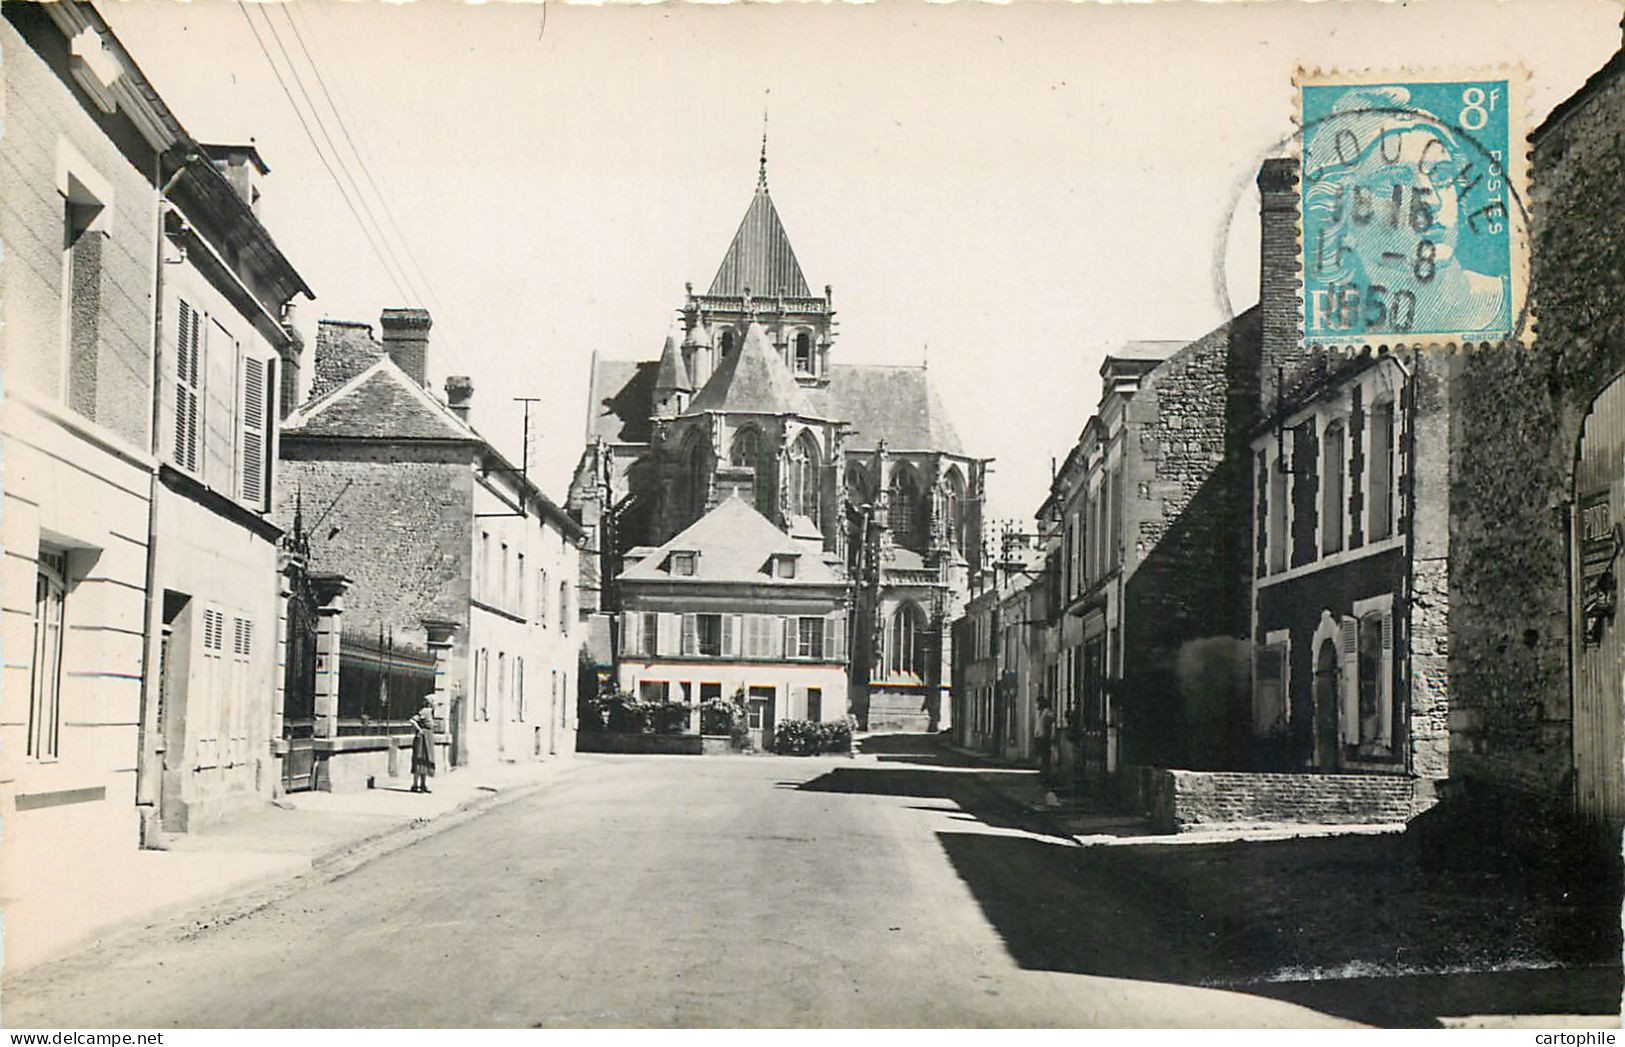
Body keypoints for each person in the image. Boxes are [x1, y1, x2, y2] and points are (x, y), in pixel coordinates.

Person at [1303, 85, 1509, 338]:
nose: (1430, 200)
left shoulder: (1510, 303)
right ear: (1340, 217)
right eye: (1392, 183)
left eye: (1441, 175)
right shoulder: (1343, 332)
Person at [410, 701, 436, 794]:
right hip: (422, 738)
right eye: (434, 702)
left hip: (428, 738)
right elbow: (412, 720)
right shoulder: (425, 711)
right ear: (430, 703)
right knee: (419, 759)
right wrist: (419, 730)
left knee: (426, 760)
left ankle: (423, 784)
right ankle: (415, 784)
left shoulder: (431, 712)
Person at [1034, 696, 1056, 784]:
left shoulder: (1047, 712)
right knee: (1041, 757)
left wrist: (1049, 736)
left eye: (1038, 703)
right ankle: (1043, 774)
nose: (1037, 705)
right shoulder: (1039, 713)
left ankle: (1046, 776)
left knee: (1045, 757)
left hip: (1045, 737)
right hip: (1039, 737)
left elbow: (1050, 723)